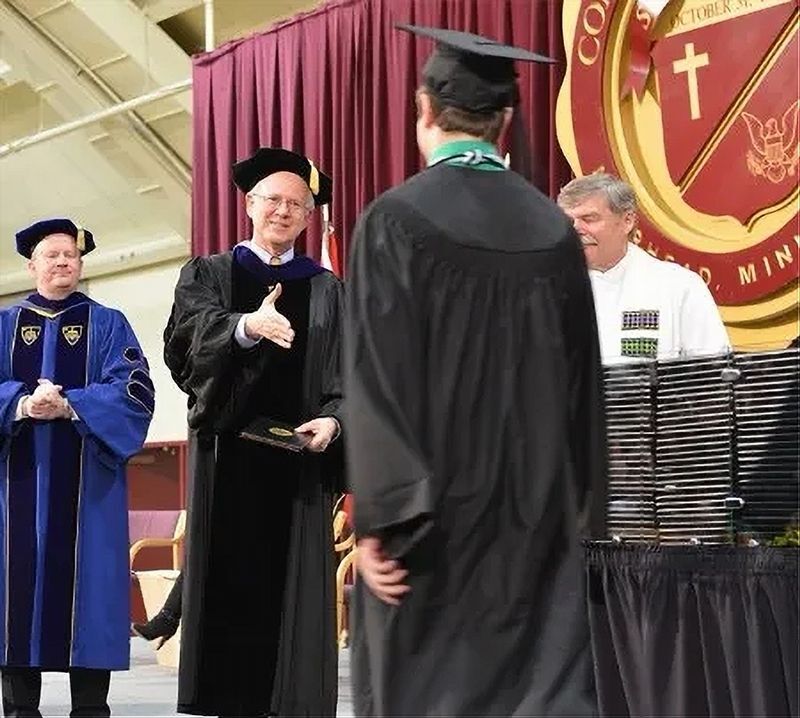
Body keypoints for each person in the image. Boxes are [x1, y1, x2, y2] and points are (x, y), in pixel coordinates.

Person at [344, 24, 607, 718]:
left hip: (431, 533)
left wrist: (380, 520)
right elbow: (586, 390)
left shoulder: (394, 221)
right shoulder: (554, 233)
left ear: (423, 109)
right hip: (538, 527)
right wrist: (582, 520)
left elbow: (378, 380)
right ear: (508, 123)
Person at [163, 148, 344, 717]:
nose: (284, 211)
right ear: (249, 205)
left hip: (299, 469)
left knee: (291, 610)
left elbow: (356, 368)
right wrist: (244, 326)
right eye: (273, 200)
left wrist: (336, 420)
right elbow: (183, 349)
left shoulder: (326, 287)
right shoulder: (210, 275)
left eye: (297, 203)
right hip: (227, 461)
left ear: (309, 217)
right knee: (230, 597)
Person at [0, 219, 154, 718]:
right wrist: (22, 405)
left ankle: (91, 710)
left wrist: (71, 406)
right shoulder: (3, 327)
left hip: (90, 493)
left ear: (81, 264)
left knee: (90, 598)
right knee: (12, 595)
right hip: (12, 490)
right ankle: (21, 709)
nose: (63, 261)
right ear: (32, 265)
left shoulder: (108, 324)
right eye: (52, 254)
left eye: (71, 254)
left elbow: (135, 388)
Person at [557, 173, 730, 364]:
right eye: (568, 221)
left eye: (589, 219)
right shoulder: (547, 290)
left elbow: (712, 372)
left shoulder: (679, 286)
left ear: (627, 221)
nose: (576, 229)